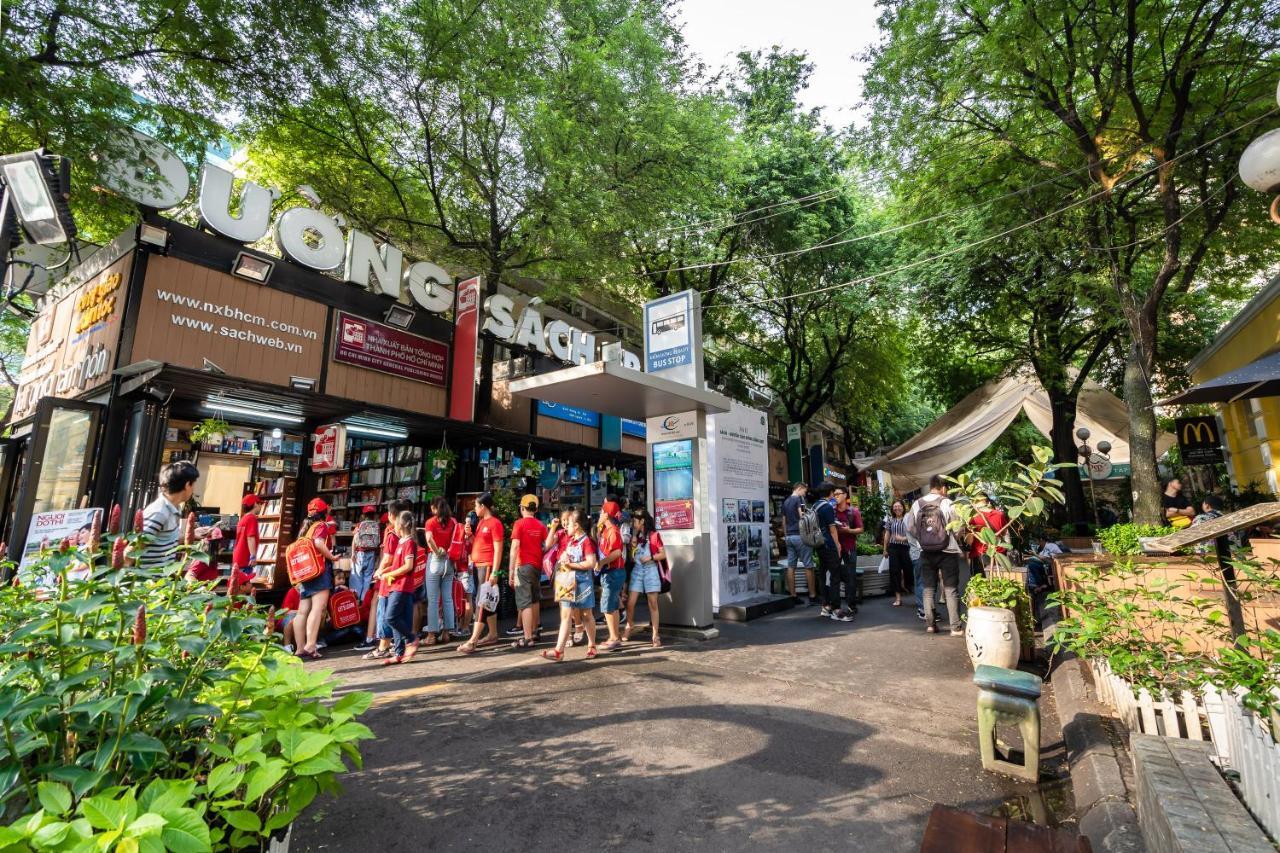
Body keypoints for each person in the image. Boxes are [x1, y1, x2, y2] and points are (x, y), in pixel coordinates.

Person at [907, 475, 962, 636]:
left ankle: (930, 625)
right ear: (943, 488)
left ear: (930, 486)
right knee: (951, 589)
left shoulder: (917, 504)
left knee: (928, 588)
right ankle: (955, 627)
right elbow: (958, 527)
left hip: (925, 552)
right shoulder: (948, 502)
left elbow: (910, 527)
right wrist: (953, 537)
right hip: (948, 551)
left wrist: (923, 539)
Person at [355, 499, 412, 654]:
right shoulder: (406, 534)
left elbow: (387, 557)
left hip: (389, 577)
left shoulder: (391, 532)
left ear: (391, 515)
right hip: (399, 578)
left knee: (383, 608)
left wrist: (379, 571)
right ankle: (396, 644)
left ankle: (384, 645)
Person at [542, 508, 598, 661]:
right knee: (566, 615)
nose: (566, 526)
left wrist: (571, 564)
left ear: (578, 525)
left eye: (570, 524)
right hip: (567, 581)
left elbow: (591, 563)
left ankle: (592, 645)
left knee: (586, 615)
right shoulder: (571, 540)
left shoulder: (586, 541)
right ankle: (559, 651)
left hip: (583, 583)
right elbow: (548, 545)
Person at [459, 493, 504, 654]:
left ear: (483, 506)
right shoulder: (481, 523)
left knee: (481, 601)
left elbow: (498, 549)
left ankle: (473, 640)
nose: (475, 509)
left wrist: (495, 572)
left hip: (487, 566)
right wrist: (469, 536)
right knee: (486, 601)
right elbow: (476, 544)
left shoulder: (494, 523)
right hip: (479, 566)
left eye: (477, 506)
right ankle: (492, 634)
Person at [376, 510, 423, 665]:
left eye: (396, 522)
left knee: (390, 617)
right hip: (396, 585)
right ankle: (399, 653)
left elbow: (408, 566)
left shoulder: (409, 542)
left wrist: (390, 575)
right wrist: (383, 572)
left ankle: (411, 638)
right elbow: (397, 565)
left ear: (401, 524)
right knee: (397, 618)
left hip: (402, 586)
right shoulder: (402, 542)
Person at [295, 498, 340, 659]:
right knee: (318, 607)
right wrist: (332, 557)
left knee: (302, 611)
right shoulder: (321, 526)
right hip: (319, 570)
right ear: (324, 511)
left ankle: (300, 648)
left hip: (306, 572)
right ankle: (311, 644)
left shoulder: (305, 528)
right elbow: (320, 543)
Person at [138, 461, 201, 571]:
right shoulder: (159, 512)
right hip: (147, 583)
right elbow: (134, 548)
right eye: (193, 484)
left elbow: (164, 541)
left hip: (160, 582)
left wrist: (193, 534)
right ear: (187, 485)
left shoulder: (173, 509)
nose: (193, 489)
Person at [509, 494, 547, 650]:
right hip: (536, 567)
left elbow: (515, 547)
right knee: (534, 599)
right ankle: (535, 630)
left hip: (522, 565)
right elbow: (547, 545)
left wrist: (511, 569)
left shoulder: (519, 524)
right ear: (536, 509)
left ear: (522, 508)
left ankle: (527, 637)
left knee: (524, 603)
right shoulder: (540, 525)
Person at [624, 508, 667, 647]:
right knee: (630, 603)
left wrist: (651, 557)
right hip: (637, 570)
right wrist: (632, 546)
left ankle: (655, 635)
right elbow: (632, 558)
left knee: (652, 603)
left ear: (642, 521)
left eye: (635, 521)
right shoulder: (635, 536)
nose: (633, 524)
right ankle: (629, 625)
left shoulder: (654, 535)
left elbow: (663, 554)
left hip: (651, 570)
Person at [812, 482, 854, 622]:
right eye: (833, 492)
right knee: (835, 576)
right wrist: (837, 545)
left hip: (818, 544)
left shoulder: (814, 506)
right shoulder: (827, 507)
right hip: (829, 545)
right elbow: (832, 529)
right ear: (830, 492)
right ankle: (836, 609)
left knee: (823, 575)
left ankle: (825, 606)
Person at [421, 497, 459, 646]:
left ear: (435, 508)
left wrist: (436, 551)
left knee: (433, 600)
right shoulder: (452, 522)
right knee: (448, 598)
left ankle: (431, 635)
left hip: (435, 560)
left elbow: (429, 539)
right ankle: (446, 633)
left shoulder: (430, 522)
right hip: (449, 561)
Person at [597, 506, 627, 650]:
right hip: (611, 572)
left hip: (613, 572)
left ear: (607, 515)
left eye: (602, 512)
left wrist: (602, 562)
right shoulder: (605, 531)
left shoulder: (613, 531)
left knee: (608, 605)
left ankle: (614, 638)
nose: (600, 514)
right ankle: (614, 636)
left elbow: (616, 552)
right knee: (613, 606)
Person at [781, 483, 816, 604]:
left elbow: (784, 521)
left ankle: (793, 596)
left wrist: (786, 536)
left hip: (789, 537)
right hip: (800, 536)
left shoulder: (785, 501)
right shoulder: (799, 499)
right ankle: (812, 596)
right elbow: (802, 516)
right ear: (799, 488)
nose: (805, 494)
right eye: (804, 491)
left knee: (791, 566)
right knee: (808, 565)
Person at [833, 486, 863, 612]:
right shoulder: (832, 511)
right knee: (834, 576)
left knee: (851, 576)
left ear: (845, 495)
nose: (835, 496)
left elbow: (860, 529)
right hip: (835, 548)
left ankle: (851, 604)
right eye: (834, 494)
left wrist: (848, 530)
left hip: (850, 548)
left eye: (838, 494)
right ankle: (835, 605)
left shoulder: (853, 511)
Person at [967, 492, 1009, 579]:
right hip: (999, 554)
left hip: (979, 555)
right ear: (987, 501)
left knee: (980, 586)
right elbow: (1004, 533)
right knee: (999, 583)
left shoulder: (971, 518)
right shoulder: (999, 515)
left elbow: (969, 541)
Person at [882, 499, 914, 607]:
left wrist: (904, 539)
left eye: (899, 506)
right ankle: (898, 598)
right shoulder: (890, 520)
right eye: (895, 507)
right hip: (893, 548)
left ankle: (908, 586)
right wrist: (885, 549)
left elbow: (913, 533)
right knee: (894, 572)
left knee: (908, 570)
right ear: (892, 509)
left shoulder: (908, 519)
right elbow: (887, 534)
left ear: (903, 507)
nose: (897, 508)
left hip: (906, 548)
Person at [349, 505, 381, 606]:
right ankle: (364, 600)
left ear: (364, 514)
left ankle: (356, 599)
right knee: (368, 577)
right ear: (374, 515)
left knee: (357, 576)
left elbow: (355, 539)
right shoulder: (376, 525)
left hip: (360, 552)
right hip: (371, 553)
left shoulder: (360, 524)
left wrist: (353, 553)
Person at [233, 494, 260, 581]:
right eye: (260, 504)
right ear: (255, 504)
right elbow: (250, 537)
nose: (261, 506)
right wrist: (253, 556)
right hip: (245, 559)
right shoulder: (252, 518)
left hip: (238, 558)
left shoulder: (243, 519)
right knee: (244, 587)